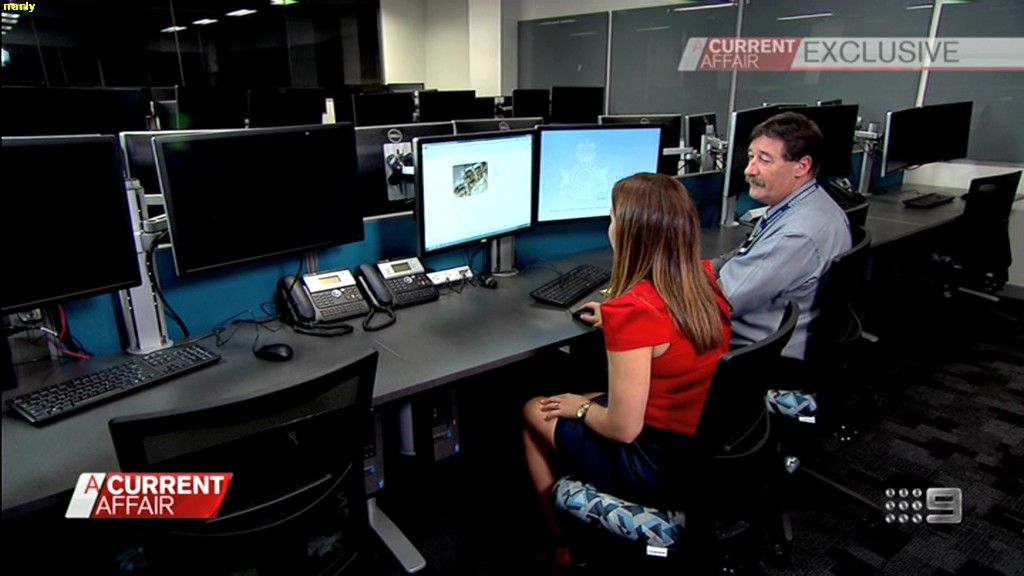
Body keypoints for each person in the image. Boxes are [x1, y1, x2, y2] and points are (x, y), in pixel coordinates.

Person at [522, 173, 732, 568]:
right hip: (699, 451)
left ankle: (560, 544)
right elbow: (668, 335)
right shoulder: (704, 281)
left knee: (537, 408)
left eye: (613, 217)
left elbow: (623, 429)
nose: (610, 226)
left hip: (652, 467)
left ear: (630, 234)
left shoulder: (634, 313)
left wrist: (582, 409)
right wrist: (616, 320)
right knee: (581, 396)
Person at [712, 111, 851, 419]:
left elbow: (720, 304)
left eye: (765, 160)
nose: (749, 169)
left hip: (762, 356)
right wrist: (703, 267)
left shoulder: (796, 233)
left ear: (802, 166)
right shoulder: (807, 203)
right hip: (786, 340)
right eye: (751, 156)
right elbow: (744, 254)